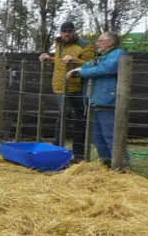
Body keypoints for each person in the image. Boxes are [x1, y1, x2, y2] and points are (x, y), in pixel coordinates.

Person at [67, 30, 124, 163]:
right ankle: (106, 163)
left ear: (110, 42)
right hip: (95, 101)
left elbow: (105, 69)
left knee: (110, 135)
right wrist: (78, 69)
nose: (97, 43)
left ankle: (121, 166)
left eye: (100, 41)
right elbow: (90, 65)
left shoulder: (118, 54)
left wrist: (81, 73)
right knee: (97, 137)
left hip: (108, 101)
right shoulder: (102, 56)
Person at [39, 19, 93, 160]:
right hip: (59, 87)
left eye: (69, 32)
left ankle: (78, 153)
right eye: (64, 32)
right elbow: (60, 62)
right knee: (63, 115)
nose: (67, 34)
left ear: (74, 32)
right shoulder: (59, 44)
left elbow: (91, 65)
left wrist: (74, 59)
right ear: (61, 33)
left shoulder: (85, 45)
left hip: (77, 87)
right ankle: (56, 148)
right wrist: (48, 58)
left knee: (79, 119)